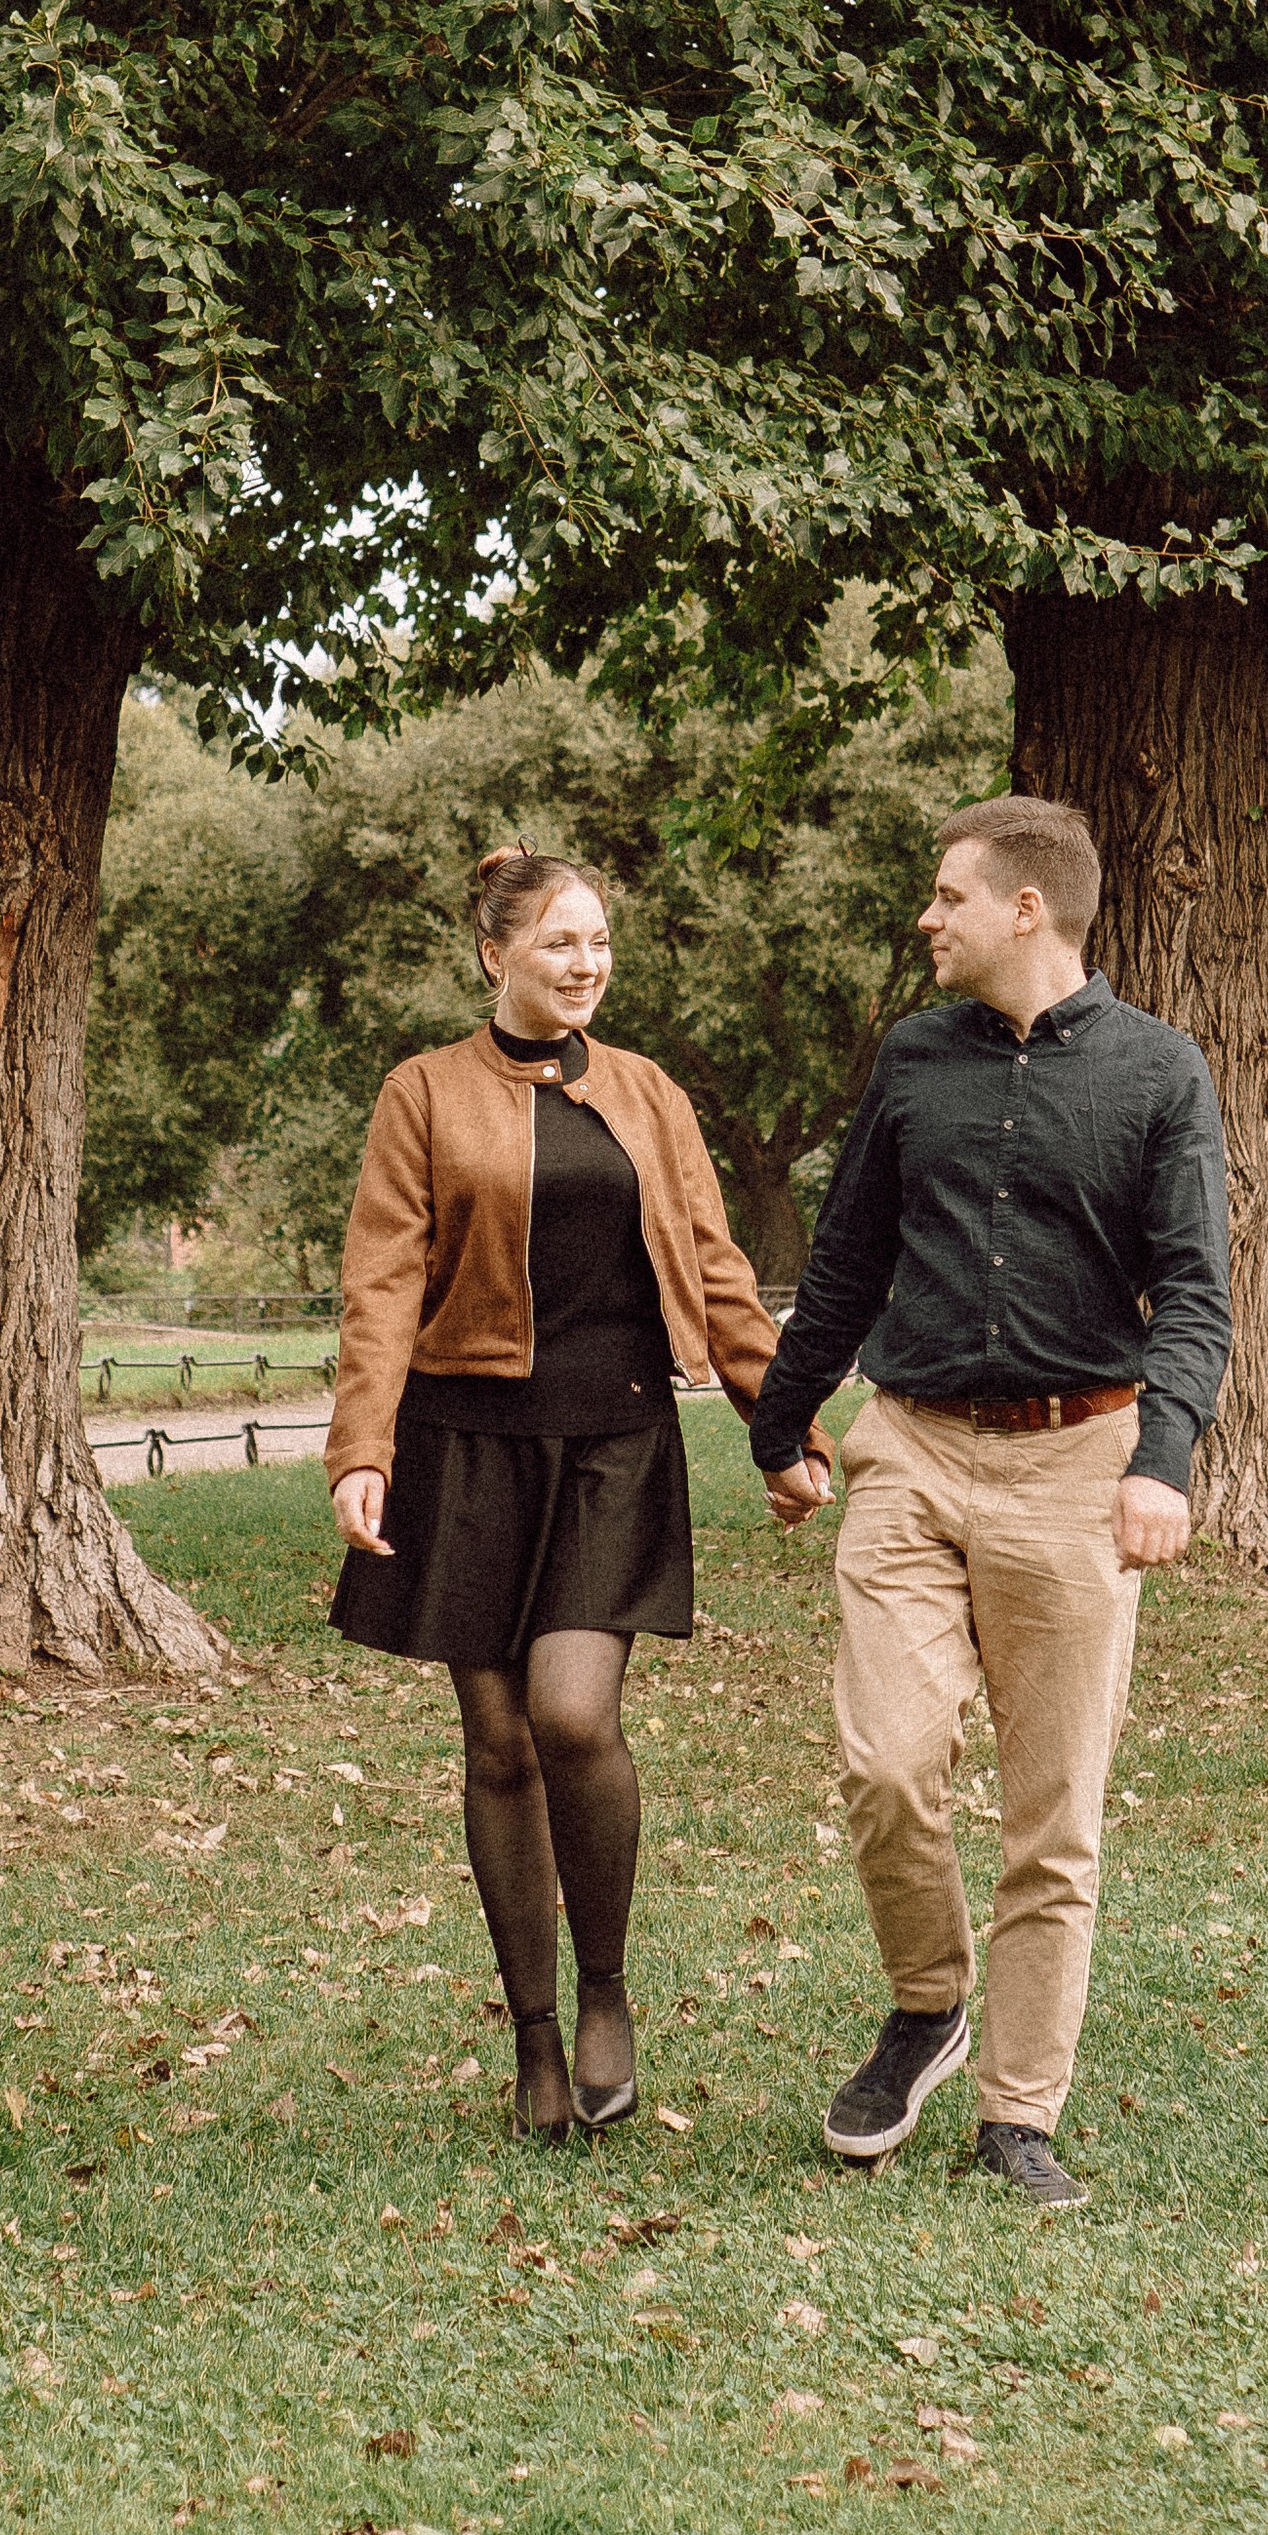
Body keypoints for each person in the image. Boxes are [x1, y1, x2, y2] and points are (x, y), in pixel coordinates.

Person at [749, 793, 1230, 2207]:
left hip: (1083, 1465)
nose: (928, 917)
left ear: (1028, 909)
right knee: (889, 1761)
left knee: (1052, 1816)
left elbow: (1197, 1293)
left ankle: (1019, 2112)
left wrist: (1164, 1460)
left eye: (948, 895)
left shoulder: (1162, 1075)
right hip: (911, 1451)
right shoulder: (911, 1063)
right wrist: (784, 1420)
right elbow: (843, 1262)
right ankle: (926, 2003)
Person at [327, 847, 795, 2141]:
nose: (585, 965)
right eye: (558, 944)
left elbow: (713, 1261)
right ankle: (533, 2038)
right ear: (496, 955)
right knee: (496, 1743)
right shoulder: (421, 1094)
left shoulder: (649, 1094)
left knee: (572, 1717)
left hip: (615, 1438)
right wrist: (362, 1449)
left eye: (598, 944)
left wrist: (781, 1422)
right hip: (464, 1441)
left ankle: (606, 1993)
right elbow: (380, 1285)